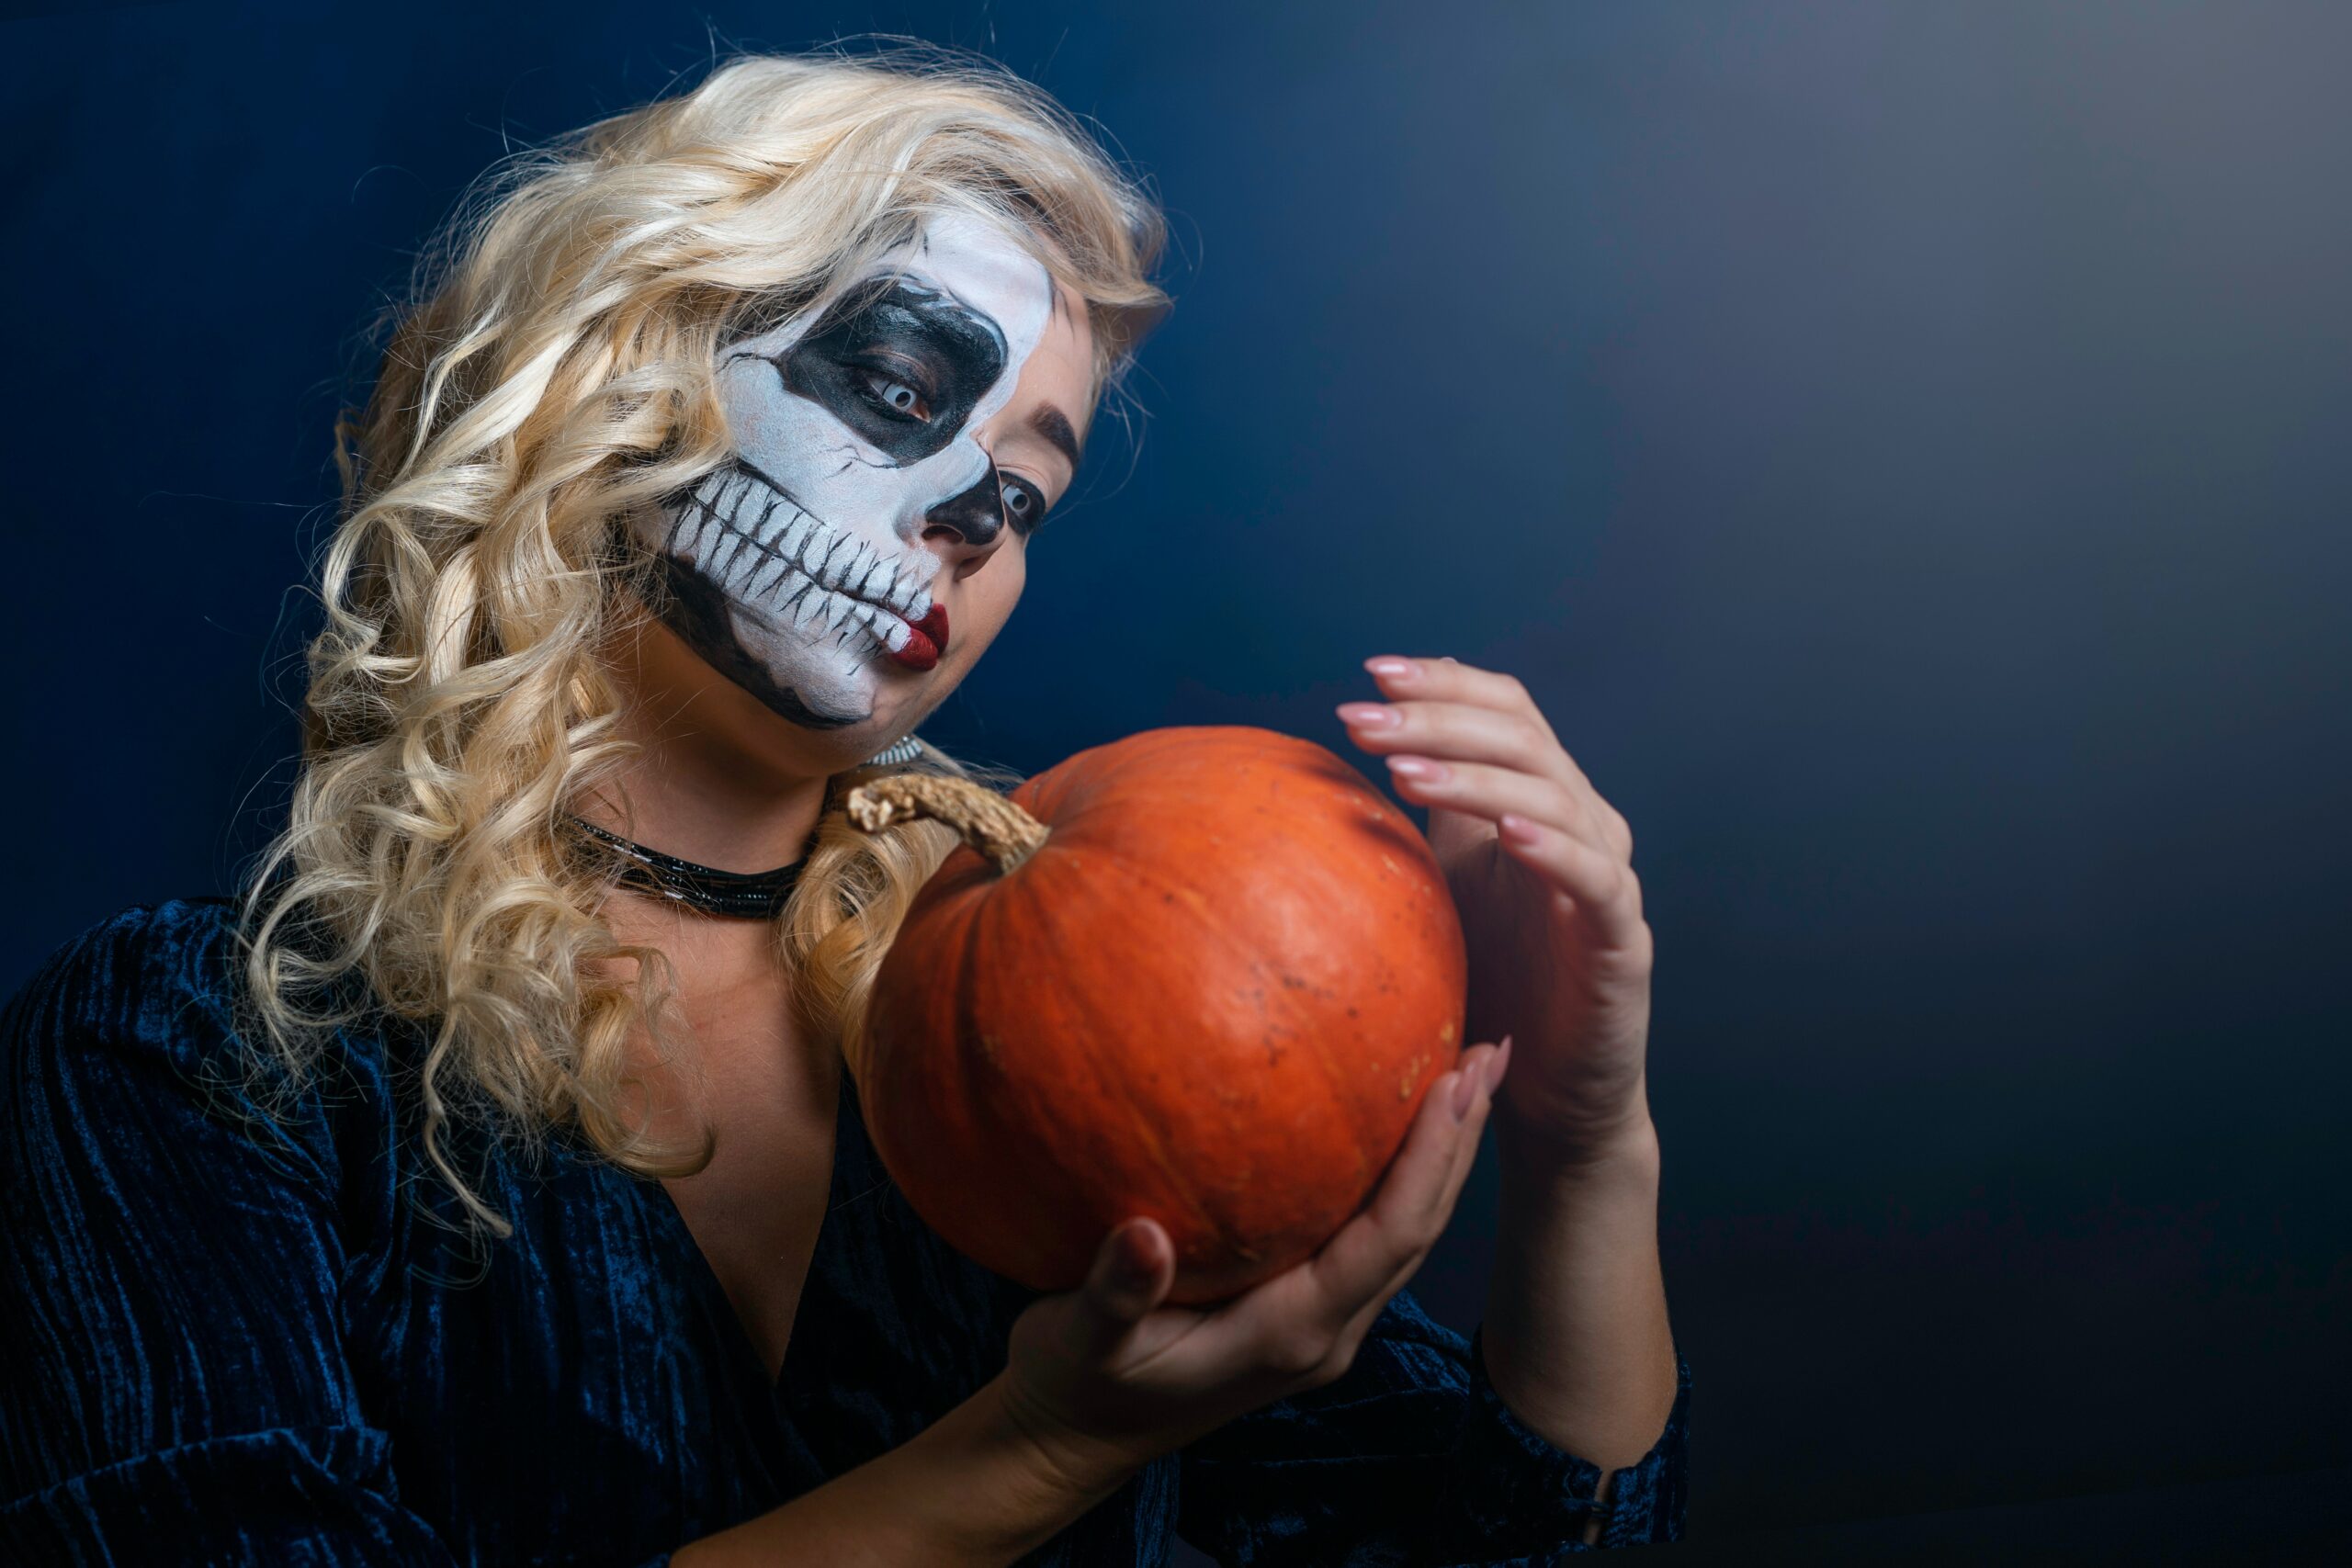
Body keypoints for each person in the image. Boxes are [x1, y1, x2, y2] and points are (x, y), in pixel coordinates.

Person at [0, 47, 1689, 1566]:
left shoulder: (1074, 1039)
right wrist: (1041, 1452)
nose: (971, 517)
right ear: (615, 375)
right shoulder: (199, 1058)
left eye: (1027, 495)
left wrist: (1583, 1137)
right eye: (898, 390)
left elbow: (1536, 1537)